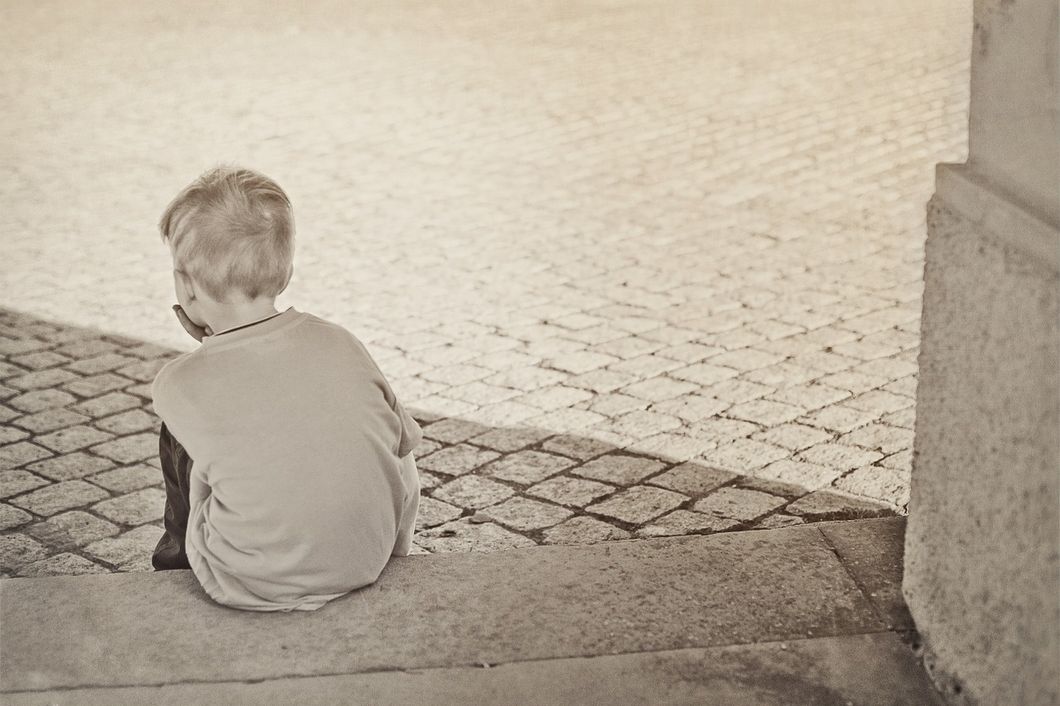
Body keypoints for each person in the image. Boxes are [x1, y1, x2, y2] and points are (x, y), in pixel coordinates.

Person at [149, 166, 421, 612]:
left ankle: (176, 562)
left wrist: (213, 351)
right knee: (395, 431)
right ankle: (393, 544)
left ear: (186, 287)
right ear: (287, 271)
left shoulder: (179, 381)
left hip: (249, 579)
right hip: (365, 558)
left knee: (182, 429)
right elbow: (402, 446)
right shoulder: (339, 341)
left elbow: (234, 400)